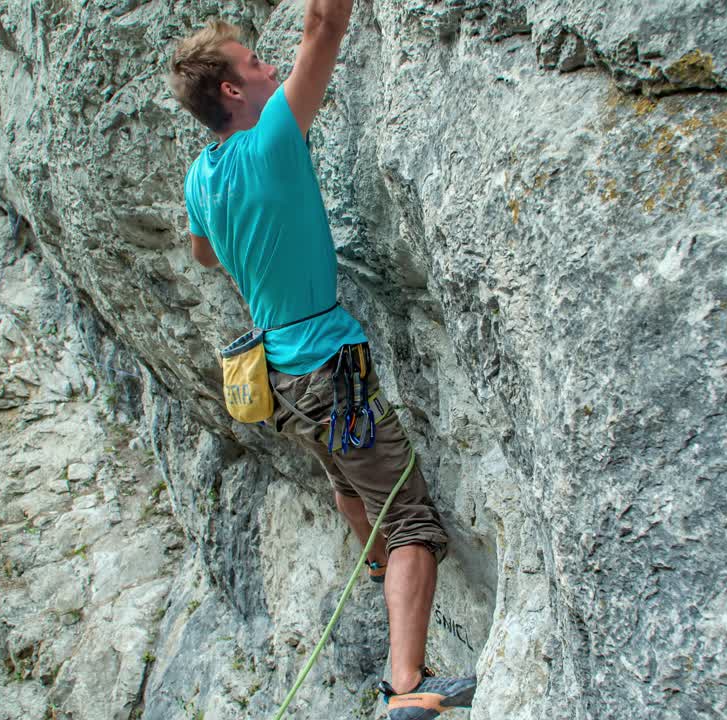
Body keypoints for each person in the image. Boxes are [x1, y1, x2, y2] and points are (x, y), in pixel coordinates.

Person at [166, 4, 477, 719]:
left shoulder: (200, 178)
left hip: (276, 377)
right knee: (413, 523)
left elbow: (204, 252)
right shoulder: (272, 136)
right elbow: (325, 27)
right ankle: (408, 687)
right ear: (234, 93)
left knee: (345, 478)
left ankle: (374, 564)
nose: (271, 69)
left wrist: (251, 231)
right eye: (254, 64)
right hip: (327, 365)